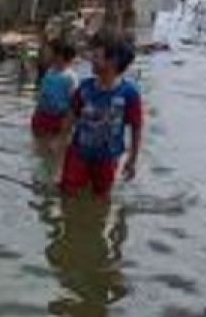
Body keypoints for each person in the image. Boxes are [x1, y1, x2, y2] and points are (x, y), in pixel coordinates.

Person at [59, 32, 143, 201]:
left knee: (101, 197)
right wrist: (61, 141)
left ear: (112, 62)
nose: (91, 58)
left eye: (96, 56)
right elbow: (71, 115)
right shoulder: (85, 88)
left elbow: (136, 127)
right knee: (68, 192)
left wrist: (132, 160)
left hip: (107, 158)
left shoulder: (129, 94)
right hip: (79, 152)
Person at [32, 39, 79, 137]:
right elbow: (42, 95)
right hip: (43, 115)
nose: (48, 56)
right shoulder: (49, 72)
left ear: (60, 56)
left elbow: (74, 104)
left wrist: (67, 125)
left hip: (60, 119)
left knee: (55, 147)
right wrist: (36, 114)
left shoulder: (70, 77)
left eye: (51, 53)